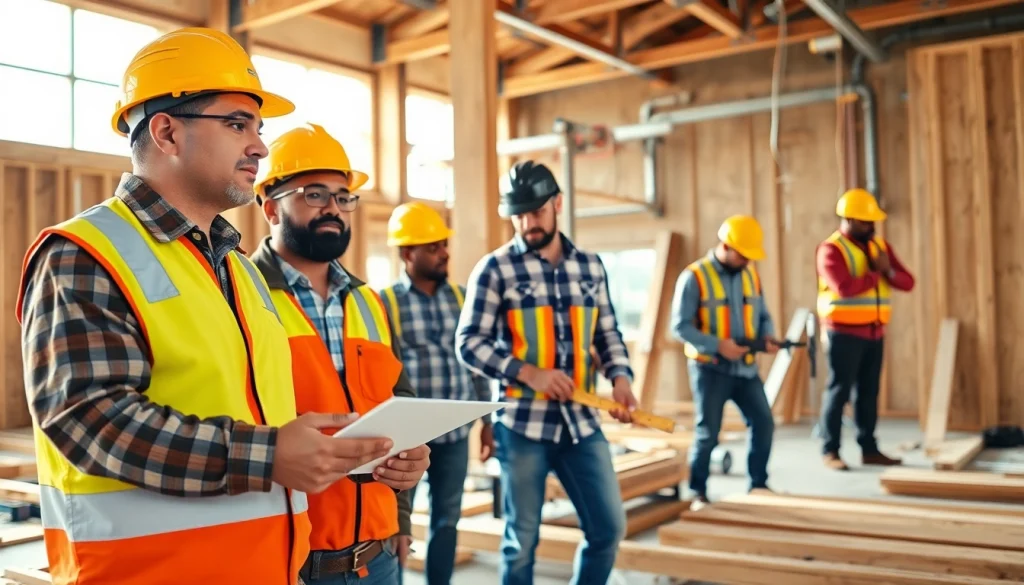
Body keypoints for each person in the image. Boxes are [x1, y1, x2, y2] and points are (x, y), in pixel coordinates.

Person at [16, 28, 397, 585]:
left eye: (258, 129)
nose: (260, 147)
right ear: (167, 132)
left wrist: (364, 457)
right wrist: (266, 456)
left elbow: (263, 415)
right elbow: (86, 419)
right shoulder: (85, 253)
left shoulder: (239, 270)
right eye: (238, 124)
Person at [251, 123, 430, 584]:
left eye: (343, 196)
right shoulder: (239, 295)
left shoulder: (369, 302)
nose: (333, 208)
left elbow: (400, 414)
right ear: (270, 208)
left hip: (379, 559)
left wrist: (403, 512)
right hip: (288, 563)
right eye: (314, 194)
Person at [455, 160, 634, 585]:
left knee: (608, 530)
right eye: (518, 214)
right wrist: (529, 374)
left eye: (536, 212)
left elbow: (607, 331)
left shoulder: (590, 267)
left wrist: (622, 379)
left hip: (582, 425)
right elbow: (468, 343)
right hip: (521, 427)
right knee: (522, 543)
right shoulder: (495, 269)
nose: (526, 223)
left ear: (557, 204)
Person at [379, 201, 494, 585]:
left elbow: (475, 366)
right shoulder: (385, 303)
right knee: (396, 523)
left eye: (444, 245)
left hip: (455, 434)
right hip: (406, 438)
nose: (444, 253)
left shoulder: (463, 298)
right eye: (433, 247)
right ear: (408, 253)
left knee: (447, 518)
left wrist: (487, 424)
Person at [670, 215, 778, 506]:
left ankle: (758, 484)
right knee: (708, 434)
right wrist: (719, 346)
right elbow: (679, 327)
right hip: (710, 369)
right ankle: (698, 492)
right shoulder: (694, 277)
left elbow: (764, 314)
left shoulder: (750, 274)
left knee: (764, 423)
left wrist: (768, 336)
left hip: (746, 369)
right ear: (726, 246)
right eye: (743, 254)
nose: (746, 260)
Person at [816, 188, 915, 470]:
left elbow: (907, 282)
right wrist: (876, 273)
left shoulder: (880, 248)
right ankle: (830, 450)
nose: (870, 226)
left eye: (872, 221)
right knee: (839, 392)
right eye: (864, 221)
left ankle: (868, 448)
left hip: (874, 333)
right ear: (847, 219)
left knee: (869, 393)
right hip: (843, 334)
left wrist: (888, 271)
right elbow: (844, 287)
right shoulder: (831, 250)